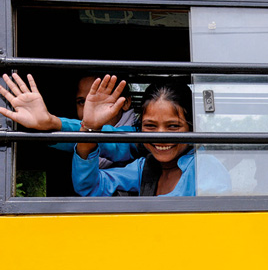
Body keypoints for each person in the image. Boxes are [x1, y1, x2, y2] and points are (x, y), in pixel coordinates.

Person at [72, 76, 230, 196]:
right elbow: (89, 186)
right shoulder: (145, 168)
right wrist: (90, 129)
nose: (161, 136)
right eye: (150, 126)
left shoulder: (206, 168)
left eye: (173, 126)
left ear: (192, 126)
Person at [0, 73, 139, 166]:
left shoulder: (139, 134)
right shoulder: (80, 148)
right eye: (81, 102)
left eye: (99, 101)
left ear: (126, 103)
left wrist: (53, 122)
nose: (88, 110)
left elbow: (114, 143)